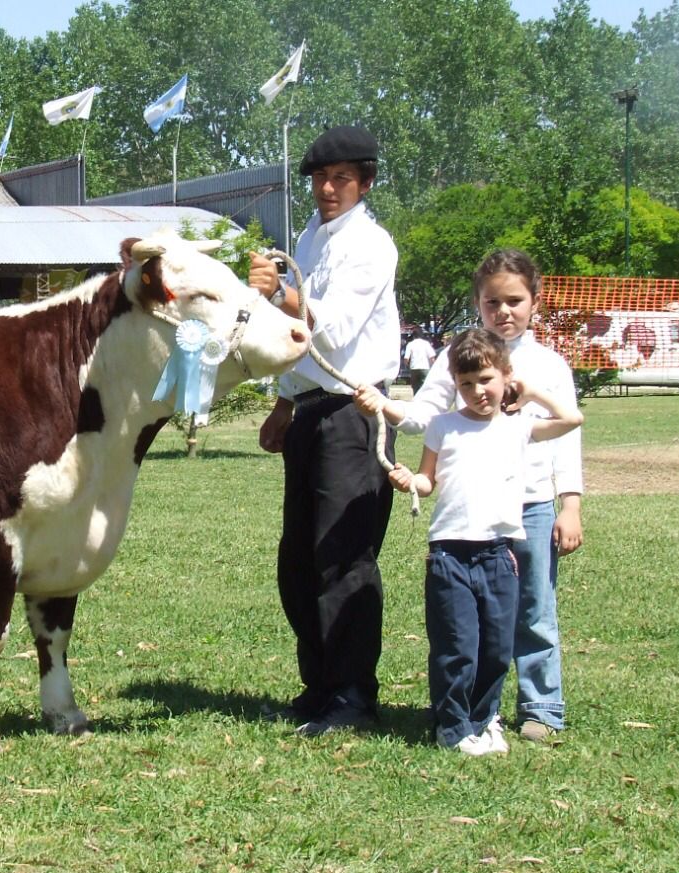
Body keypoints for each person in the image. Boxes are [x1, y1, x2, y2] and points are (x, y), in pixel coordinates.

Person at [355, 330, 582, 754]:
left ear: (506, 376)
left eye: (487, 380)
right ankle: (454, 726)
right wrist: (411, 481)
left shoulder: (519, 427)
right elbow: (428, 480)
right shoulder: (443, 426)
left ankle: (483, 719)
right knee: (457, 646)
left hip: (499, 554)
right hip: (449, 555)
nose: (478, 391)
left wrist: (531, 392)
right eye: (466, 384)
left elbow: (572, 420)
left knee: (496, 648)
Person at [247, 124, 401, 735]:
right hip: (312, 408)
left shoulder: (371, 244)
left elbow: (332, 330)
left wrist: (282, 293)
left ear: (365, 183)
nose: (327, 189)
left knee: (343, 556)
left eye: (341, 179)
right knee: (299, 559)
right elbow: (298, 343)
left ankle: (353, 695)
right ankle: (320, 686)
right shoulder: (309, 237)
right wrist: (284, 404)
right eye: (319, 178)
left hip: (353, 411)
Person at [394, 249, 584, 742]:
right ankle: (481, 710)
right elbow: (426, 411)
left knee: (534, 609)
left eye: (514, 301)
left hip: (532, 504)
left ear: (535, 301)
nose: (503, 311)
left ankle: (542, 706)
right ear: (477, 303)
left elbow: (567, 436)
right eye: (491, 302)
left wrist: (570, 504)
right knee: (478, 621)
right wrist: (389, 409)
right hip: (472, 517)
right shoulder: (457, 355)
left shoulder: (549, 364)